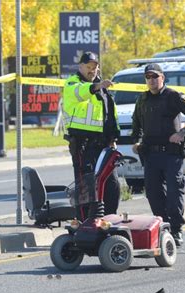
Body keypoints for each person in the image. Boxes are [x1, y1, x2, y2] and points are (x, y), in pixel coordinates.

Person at [131, 63, 185, 247]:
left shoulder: (173, 96)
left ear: (163, 77)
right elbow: (136, 123)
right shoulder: (142, 100)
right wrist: (136, 142)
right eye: (148, 77)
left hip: (171, 155)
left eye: (155, 76)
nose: (152, 80)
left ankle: (177, 230)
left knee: (174, 192)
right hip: (151, 155)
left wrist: (183, 133)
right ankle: (163, 227)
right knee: (153, 194)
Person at [62, 51, 120, 221]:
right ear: (80, 67)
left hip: (103, 145)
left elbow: (111, 114)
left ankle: (109, 221)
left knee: (111, 184)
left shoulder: (102, 89)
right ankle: (84, 223)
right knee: (86, 187)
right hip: (82, 144)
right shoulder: (73, 83)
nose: (91, 71)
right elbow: (81, 92)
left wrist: (113, 139)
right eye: (88, 67)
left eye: (94, 67)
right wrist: (97, 86)